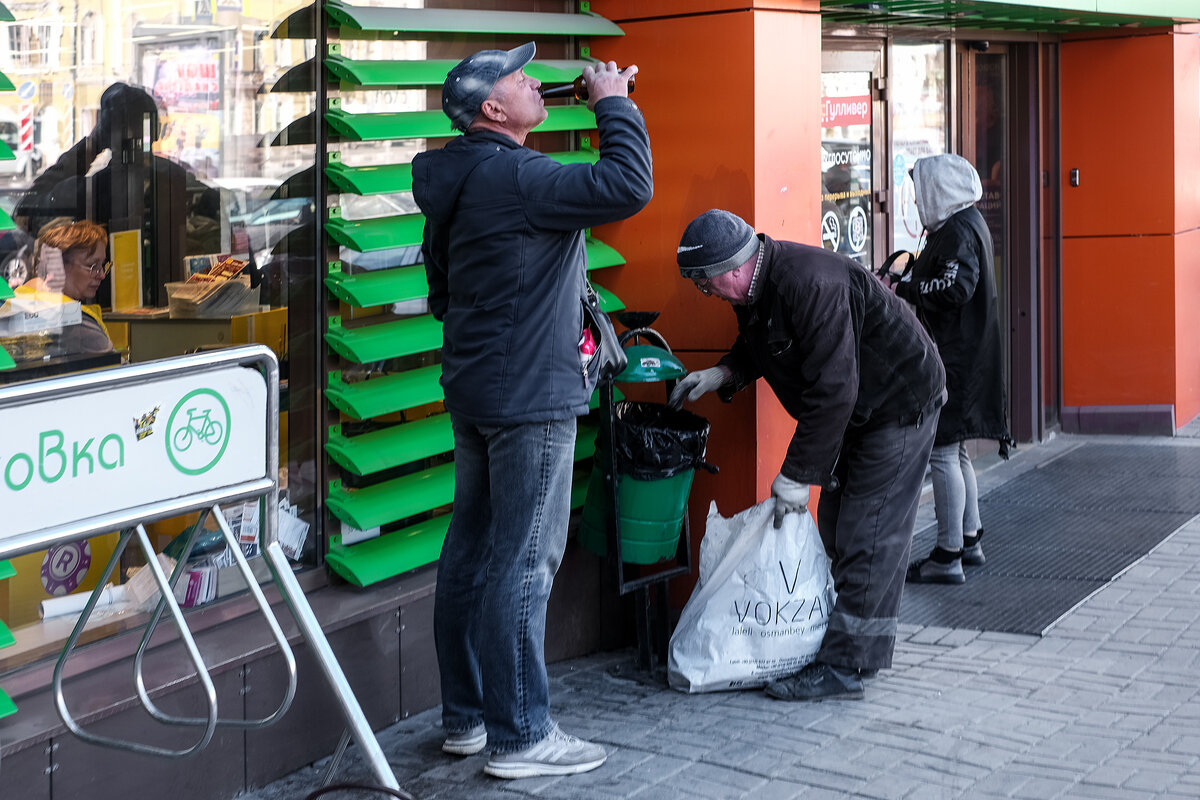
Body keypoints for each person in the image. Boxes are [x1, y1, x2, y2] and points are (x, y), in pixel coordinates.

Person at [410, 43, 651, 778]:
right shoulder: (520, 177)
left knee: (473, 552)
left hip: (479, 387)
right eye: (518, 79)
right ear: (491, 108)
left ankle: (468, 719)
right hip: (531, 393)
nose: (531, 81)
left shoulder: (458, 177)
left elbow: (443, 290)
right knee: (524, 561)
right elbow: (627, 184)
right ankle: (521, 737)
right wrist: (612, 103)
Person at [669, 209, 944, 701]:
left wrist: (796, 475)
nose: (704, 294)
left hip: (899, 404)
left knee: (869, 532)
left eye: (705, 284)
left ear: (732, 269)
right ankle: (845, 641)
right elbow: (762, 345)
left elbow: (835, 389)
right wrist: (724, 374)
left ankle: (846, 666)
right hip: (863, 410)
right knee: (839, 524)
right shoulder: (758, 285)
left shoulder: (810, 284)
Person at [889, 153, 1011, 585]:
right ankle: (969, 538)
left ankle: (948, 552)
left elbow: (956, 286)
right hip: (969, 355)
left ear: (939, 193)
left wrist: (905, 287)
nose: (918, 199)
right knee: (956, 451)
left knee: (942, 451)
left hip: (955, 358)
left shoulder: (957, 231)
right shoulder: (967, 223)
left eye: (923, 191)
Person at [20, 218, 113, 354]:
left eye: (103, 265)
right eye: (93, 266)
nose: (102, 275)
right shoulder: (77, 324)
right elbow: (118, 369)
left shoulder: (17, 302)